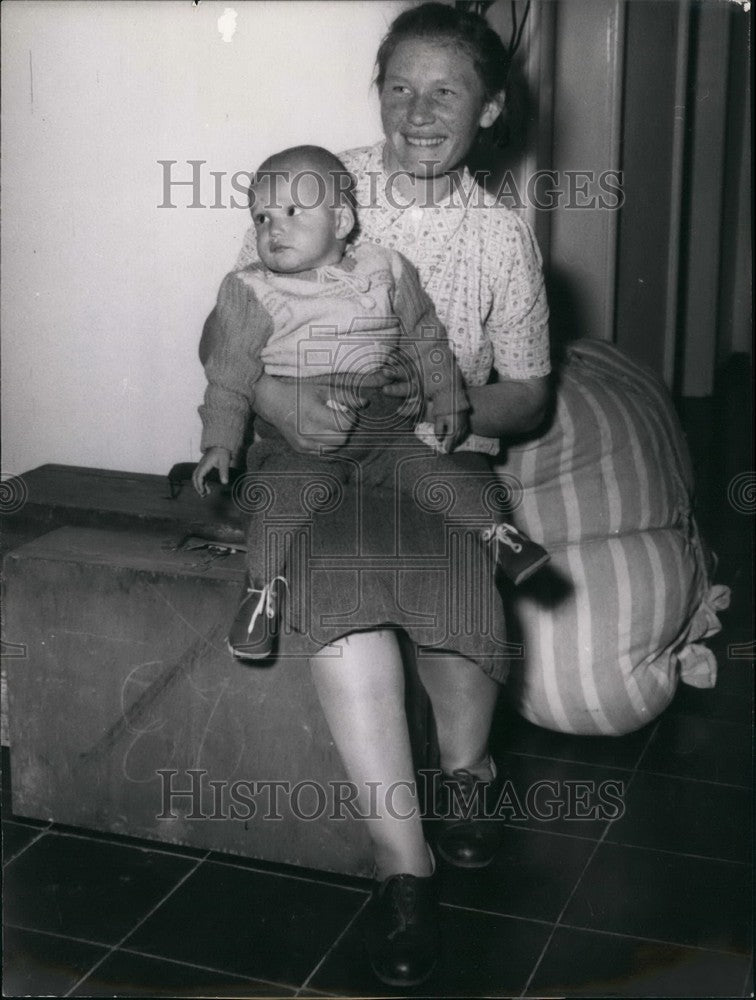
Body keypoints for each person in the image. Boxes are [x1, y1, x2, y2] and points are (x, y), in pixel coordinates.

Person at [200, 4, 550, 988]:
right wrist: (277, 394)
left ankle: (470, 771)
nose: (419, 109)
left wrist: (459, 403)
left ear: (491, 109)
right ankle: (406, 869)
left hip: (435, 458)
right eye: (399, 86)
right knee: (347, 599)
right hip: (314, 463)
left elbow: (529, 394)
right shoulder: (316, 182)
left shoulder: (503, 238)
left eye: (446, 90)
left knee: (453, 587)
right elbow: (227, 326)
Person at [193, 144, 545, 661]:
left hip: (385, 422)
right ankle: (261, 593)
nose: (273, 229)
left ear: (340, 219)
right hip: (299, 438)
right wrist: (220, 442)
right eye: (262, 216)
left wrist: (447, 394)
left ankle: (498, 536)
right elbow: (229, 373)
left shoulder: (386, 268)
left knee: (438, 470)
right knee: (281, 500)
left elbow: (425, 337)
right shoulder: (250, 290)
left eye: (293, 212)